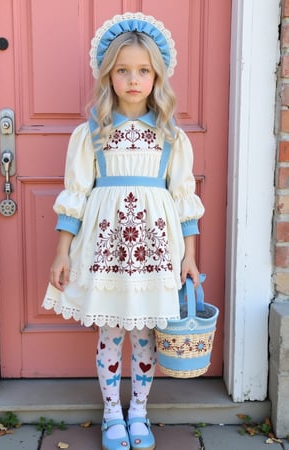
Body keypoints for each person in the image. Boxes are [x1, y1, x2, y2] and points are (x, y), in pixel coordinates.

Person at [42, 12, 205, 450]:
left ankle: (140, 412)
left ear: (157, 75)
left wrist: (189, 256)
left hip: (154, 248)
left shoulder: (172, 136)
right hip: (107, 248)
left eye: (143, 71)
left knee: (147, 334)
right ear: (108, 75)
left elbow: (184, 201)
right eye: (123, 70)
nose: (133, 79)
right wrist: (62, 252)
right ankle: (112, 411)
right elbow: (75, 196)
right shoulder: (91, 132)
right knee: (111, 331)